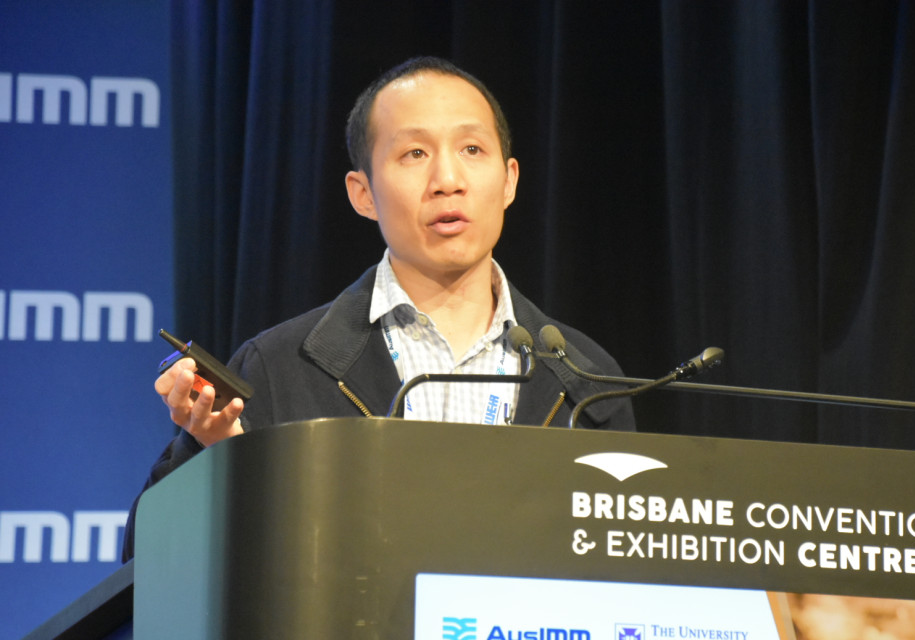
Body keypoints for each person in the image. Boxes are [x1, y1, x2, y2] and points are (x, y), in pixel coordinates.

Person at [122, 57, 635, 561]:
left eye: (472, 148)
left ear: (509, 180)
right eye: (414, 154)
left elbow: (631, 568)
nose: (447, 179)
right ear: (362, 193)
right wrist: (218, 459)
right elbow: (148, 565)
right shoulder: (281, 367)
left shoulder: (586, 378)